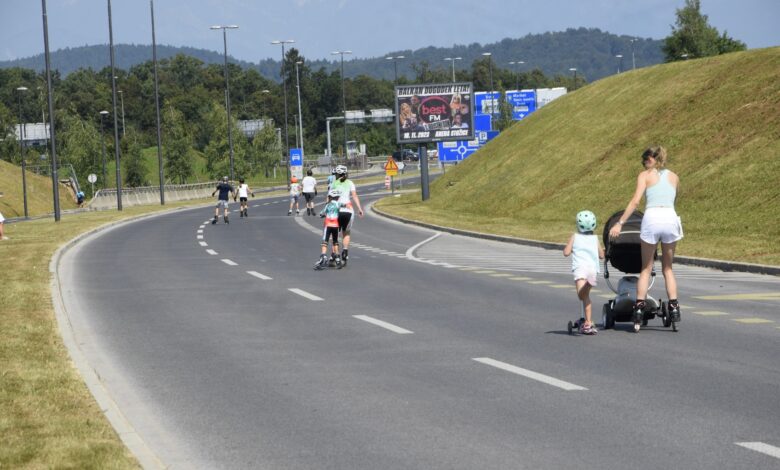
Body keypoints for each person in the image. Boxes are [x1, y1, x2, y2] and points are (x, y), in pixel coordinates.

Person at [609, 146, 683, 325]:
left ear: (652, 159)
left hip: (652, 217)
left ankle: (640, 307)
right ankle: (674, 307)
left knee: (646, 269)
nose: (644, 164)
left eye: (645, 160)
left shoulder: (644, 176)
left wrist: (620, 223)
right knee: (668, 269)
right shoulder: (674, 176)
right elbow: (674, 198)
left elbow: (635, 201)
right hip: (670, 217)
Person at [563, 210, 605, 335]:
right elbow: (602, 255)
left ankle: (587, 285)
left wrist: (570, 249)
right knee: (586, 297)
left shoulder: (574, 237)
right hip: (592, 269)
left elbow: (566, 252)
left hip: (580, 268)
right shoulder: (595, 238)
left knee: (582, 296)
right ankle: (587, 322)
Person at [330, 165, 364, 267]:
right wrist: (360, 208)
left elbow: (330, 198)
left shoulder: (334, 183)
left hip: (337, 211)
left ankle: (335, 255)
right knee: (346, 233)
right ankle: (345, 252)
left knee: (334, 234)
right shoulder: (350, 183)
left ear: (337, 174)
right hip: (349, 211)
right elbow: (354, 196)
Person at [314, 189, 344, 269]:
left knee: (325, 241)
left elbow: (321, 214)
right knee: (335, 241)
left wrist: (323, 215)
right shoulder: (338, 204)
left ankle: (323, 257)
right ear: (337, 197)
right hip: (335, 225)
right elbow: (344, 206)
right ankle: (337, 258)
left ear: (330, 197)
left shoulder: (327, 205)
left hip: (328, 225)